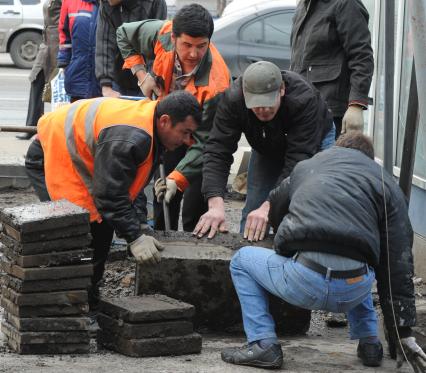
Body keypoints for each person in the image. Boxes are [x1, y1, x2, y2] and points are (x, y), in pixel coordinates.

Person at [220, 132, 426, 371]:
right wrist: (402, 332)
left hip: (302, 283)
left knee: (241, 260)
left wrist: (286, 243)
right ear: (368, 159)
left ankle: (263, 344)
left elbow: (276, 204)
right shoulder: (385, 182)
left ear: (336, 149)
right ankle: (370, 344)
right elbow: (397, 265)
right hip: (355, 289)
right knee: (364, 261)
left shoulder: (307, 166)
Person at [24, 91, 202, 307]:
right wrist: (134, 237)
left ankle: (86, 294)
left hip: (80, 150)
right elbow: (109, 195)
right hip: (52, 151)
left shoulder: (151, 125)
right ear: (165, 121)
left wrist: (138, 224)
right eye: (185, 132)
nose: (187, 141)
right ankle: (71, 304)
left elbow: (128, 185)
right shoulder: (131, 137)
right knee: (80, 229)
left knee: (100, 227)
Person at [116, 3, 230, 231]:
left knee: (193, 208)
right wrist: (141, 75)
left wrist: (177, 179)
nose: (193, 53)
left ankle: (191, 251)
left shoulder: (216, 85)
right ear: (174, 37)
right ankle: (160, 238)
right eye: (186, 45)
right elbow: (124, 34)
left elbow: (204, 143)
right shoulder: (163, 34)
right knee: (163, 196)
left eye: (201, 46)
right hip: (170, 130)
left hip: (199, 141)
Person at [194, 61, 335, 241]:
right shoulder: (233, 100)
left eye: (268, 103)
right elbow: (218, 150)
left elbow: (298, 161)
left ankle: (295, 258)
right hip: (267, 143)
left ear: (282, 90)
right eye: (256, 104)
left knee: (304, 207)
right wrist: (215, 204)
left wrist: (270, 206)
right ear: (245, 95)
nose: (263, 110)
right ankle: (246, 257)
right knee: (255, 209)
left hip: (313, 143)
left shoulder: (303, 99)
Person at [290, 0, 374, 138]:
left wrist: (356, 105)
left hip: (332, 113)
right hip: (303, 109)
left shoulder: (346, 4)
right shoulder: (303, 6)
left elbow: (362, 56)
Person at [95, 0, 167, 98]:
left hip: (148, 79)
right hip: (118, 81)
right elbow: (104, 43)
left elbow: (157, 45)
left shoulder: (154, 3)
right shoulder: (106, 3)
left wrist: (151, 82)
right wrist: (106, 86)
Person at [18, 0, 62, 140]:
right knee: (36, 79)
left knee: (57, 88)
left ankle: (56, 129)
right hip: (47, 44)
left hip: (59, 44)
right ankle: (31, 126)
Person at [57, 0, 101, 102]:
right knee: (77, 115)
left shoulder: (111, 3)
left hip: (105, 79)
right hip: (77, 72)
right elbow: (64, 35)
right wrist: (64, 64)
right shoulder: (69, 2)